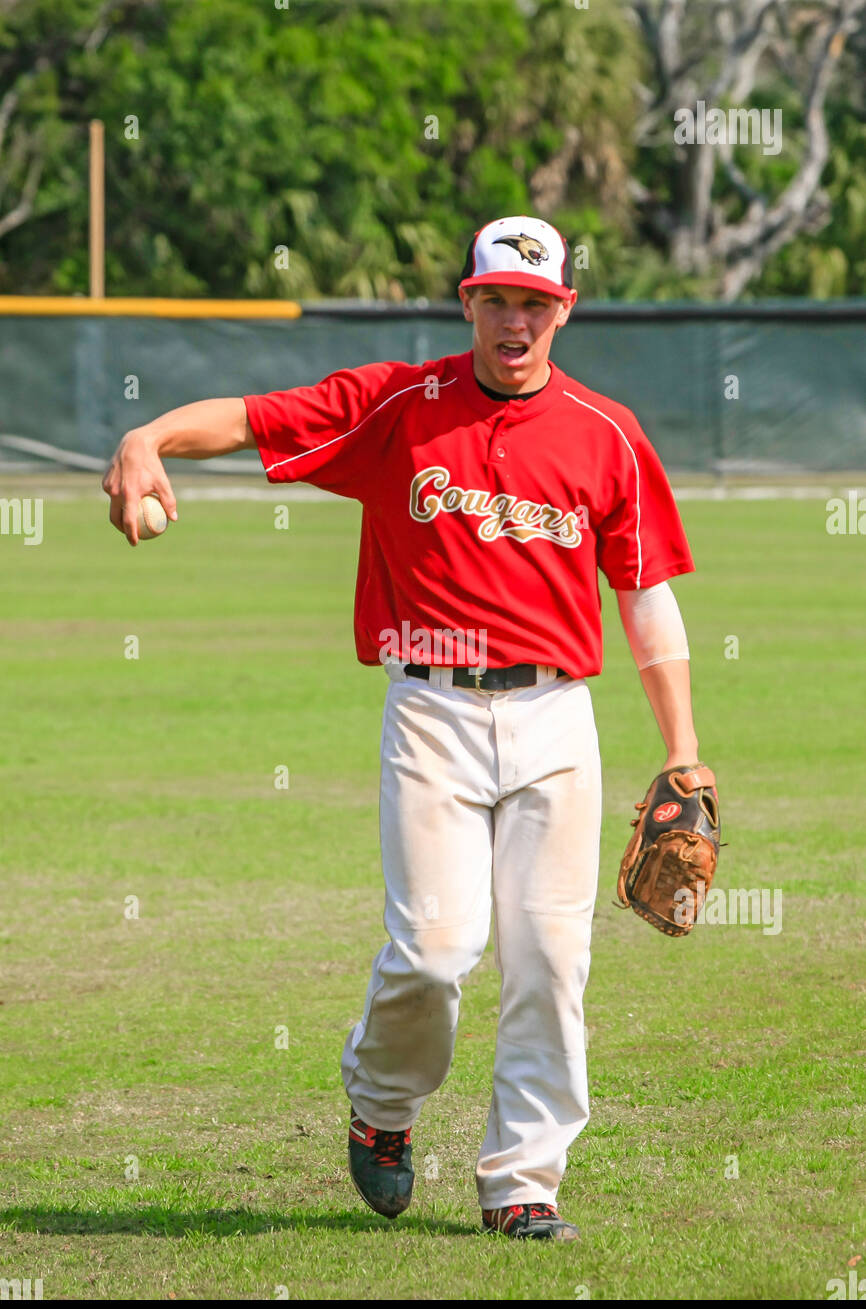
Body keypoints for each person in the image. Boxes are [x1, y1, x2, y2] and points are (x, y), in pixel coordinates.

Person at [103, 215, 702, 1242]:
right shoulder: (395, 406)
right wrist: (147, 437)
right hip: (429, 707)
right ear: (467, 302)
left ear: (562, 310)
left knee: (550, 962)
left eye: (534, 302)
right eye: (495, 299)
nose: (514, 320)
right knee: (433, 949)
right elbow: (251, 418)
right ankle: (383, 1106)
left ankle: (522, 1181)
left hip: (558, 714)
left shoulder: (605, 433)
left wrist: (681, 747)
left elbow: (644, 594)